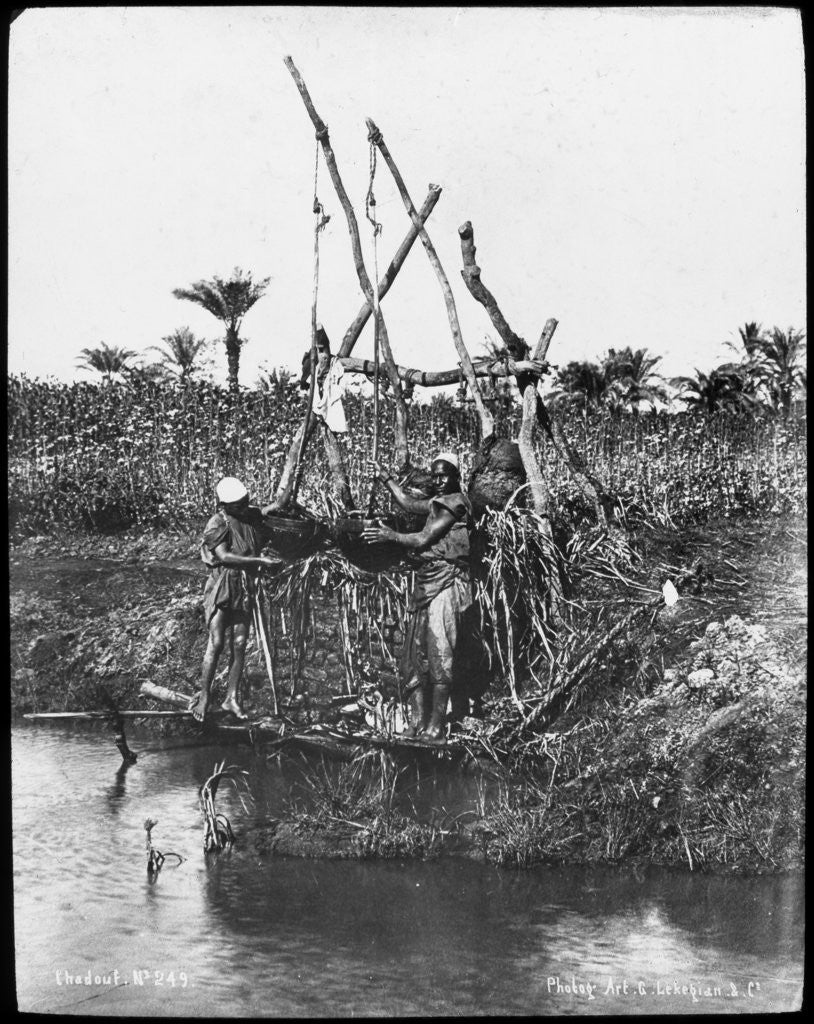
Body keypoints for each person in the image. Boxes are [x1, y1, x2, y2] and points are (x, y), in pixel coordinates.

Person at [361, 452, 473, 742]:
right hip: (426, 581)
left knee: (439, 651)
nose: (438, 481)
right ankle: (416, 722)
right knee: (414, 652)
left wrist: (391, 536)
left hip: (447, 581)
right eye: (434, 475)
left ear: (456, 476)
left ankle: (436, 725)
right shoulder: (438, 501)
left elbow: (424, 539)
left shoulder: (457, 503)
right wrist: (386, 479)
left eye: (444, 474)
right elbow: (409, 504)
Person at [189, 477, 281, 723]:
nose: (243, 507)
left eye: (245, 502)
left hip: (244, 585)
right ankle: (204, 696)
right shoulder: (217, 523)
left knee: (239, 643)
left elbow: (275, 506)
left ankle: (231, 698)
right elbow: (225, 556)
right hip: (224, 585)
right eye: (238, 505)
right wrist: (260, 561)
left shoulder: (249, 516)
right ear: (224, 505)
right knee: (217, 641)